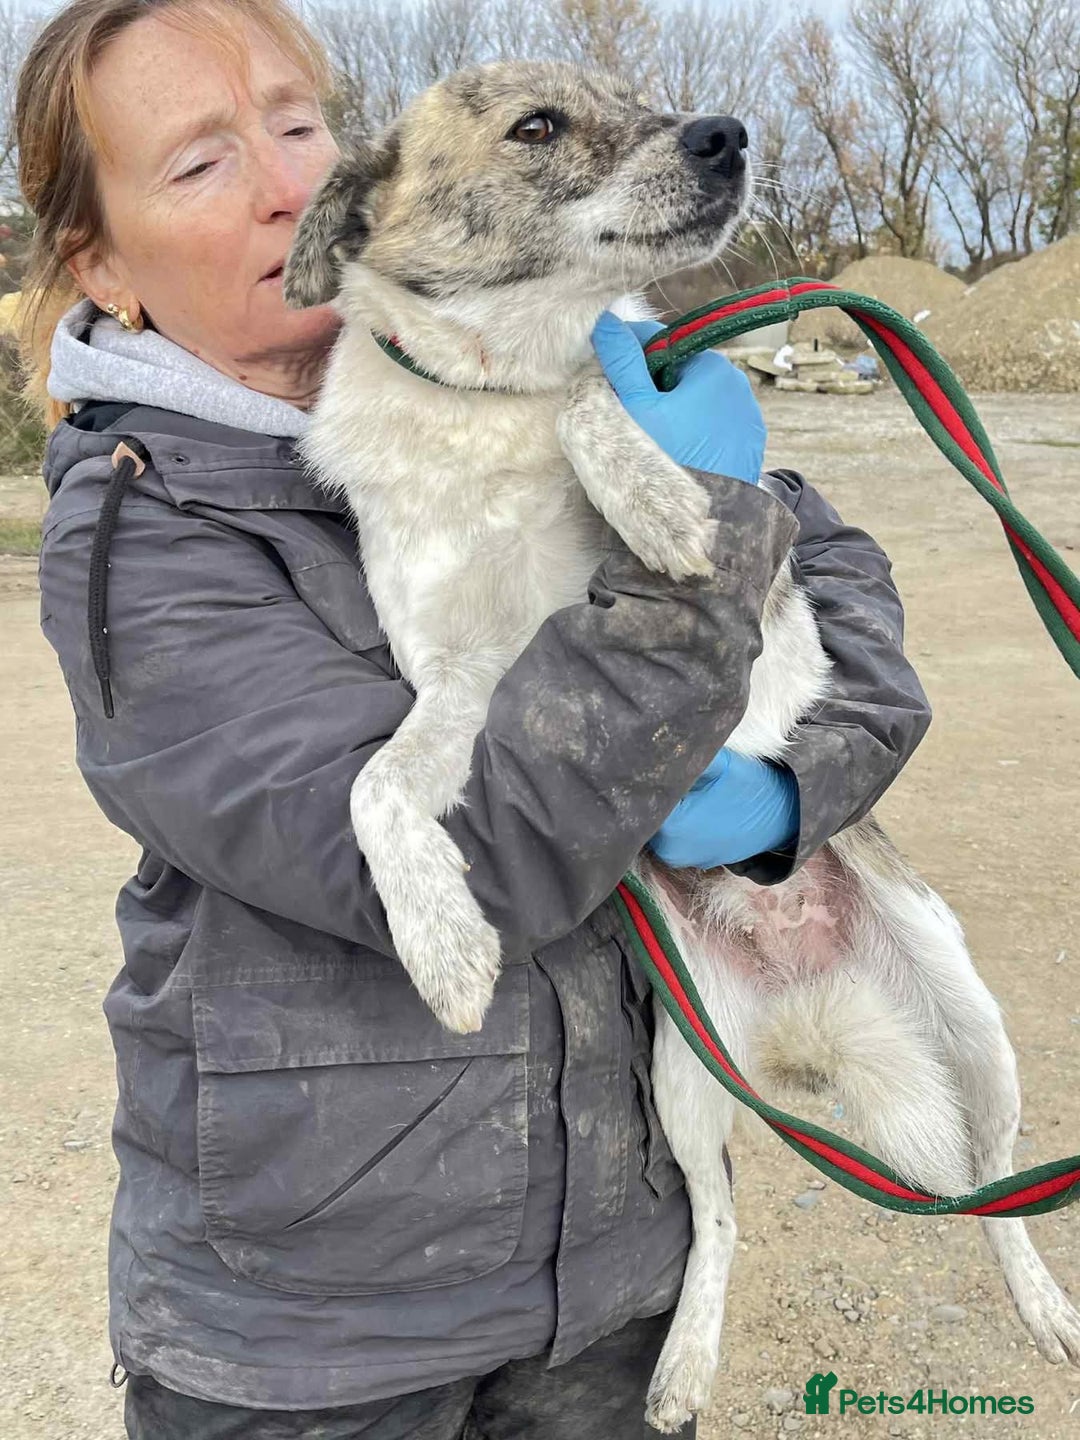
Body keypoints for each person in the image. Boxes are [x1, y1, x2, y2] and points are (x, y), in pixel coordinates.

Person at [18, 2, 932, 1437]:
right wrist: (690, 586)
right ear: (101, 265)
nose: (285, 183)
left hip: (611, 1267)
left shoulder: (556, 361)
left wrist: (790, 793)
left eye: (300, 124)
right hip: (319, 1342)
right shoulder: (145, 540)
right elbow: (482, 855)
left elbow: (839, 592)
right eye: (199, 166)